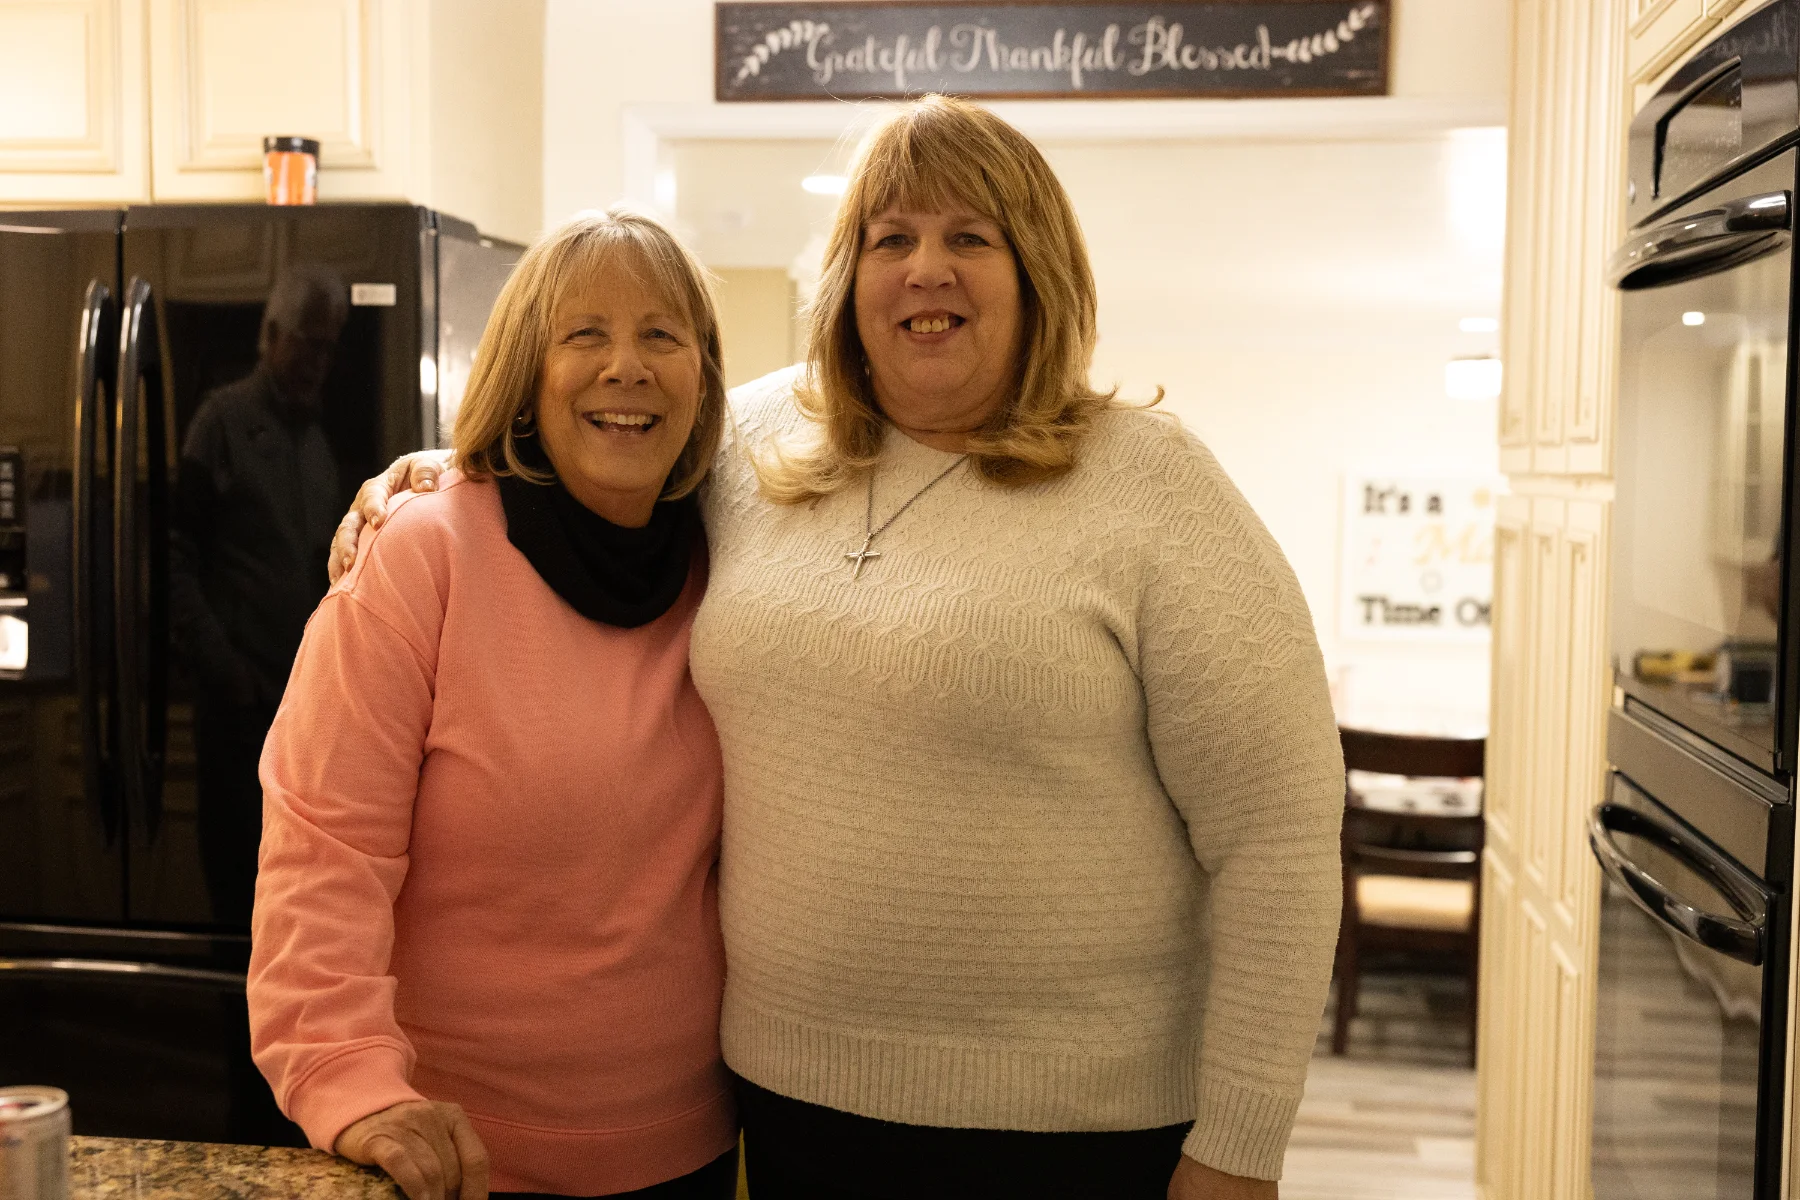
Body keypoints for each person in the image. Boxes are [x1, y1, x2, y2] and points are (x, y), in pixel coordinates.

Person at [335, 96, 1344, 1200]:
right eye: (891, 238)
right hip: (788, 1111)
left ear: (1039, 271)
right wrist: (446, 469)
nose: (927, 270)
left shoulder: (1153, 487)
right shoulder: (753, 446)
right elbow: (604, 450)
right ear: (849, 278)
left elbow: (1280, 837)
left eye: (972, 237)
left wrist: (1242, 1143)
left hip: (1081, 1137)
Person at [249, 209, 739, 1200]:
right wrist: (352, 1085)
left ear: (704, 374)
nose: (627, 366)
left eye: (661, 334)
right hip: (456, 1159)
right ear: (527, 368)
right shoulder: (426, 556)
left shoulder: (736, 558)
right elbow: (323, 851)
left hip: (690, 1151)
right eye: (585, 334)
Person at [171, 264, 348, 927]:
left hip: (301, 712)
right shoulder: (220, 423)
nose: (318, 360)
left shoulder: (318, 443)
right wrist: (228, 674)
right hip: (237, 715)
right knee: (236, 907)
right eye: (307, 341)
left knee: (294, 905)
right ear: (271, 334)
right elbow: (173, 563)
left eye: (329, 346)